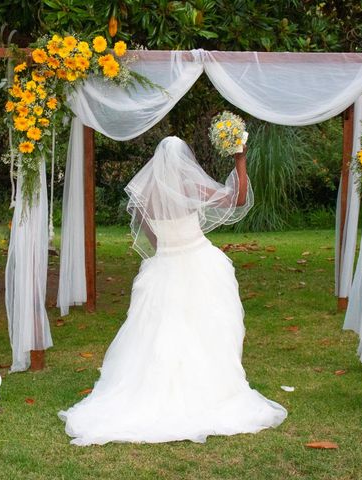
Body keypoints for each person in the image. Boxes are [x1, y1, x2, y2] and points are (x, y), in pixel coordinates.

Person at [59, 136, 287, 445]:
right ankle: (212, 388)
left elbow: (150, 237)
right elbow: (238, 198)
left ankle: (156, 390)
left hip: (163, 266)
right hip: (199, 262)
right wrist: (240, 160)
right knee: (206, 328)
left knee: (159, 331)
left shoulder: (145, 193)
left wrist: (168, 252)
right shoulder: (191, 188)